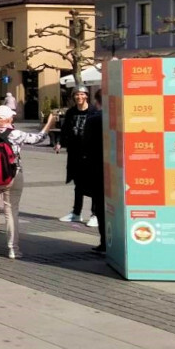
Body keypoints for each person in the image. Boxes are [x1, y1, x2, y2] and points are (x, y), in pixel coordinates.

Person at [0, 105, 57, 259]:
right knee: (11, 212)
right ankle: (13, 249)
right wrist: (49, 124)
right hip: (13, 176)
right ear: (9, 119)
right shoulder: (15, 134)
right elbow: (38, 138)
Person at [57, 87, 96, 226]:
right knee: (78, 184)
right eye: (77, 95)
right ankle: (76, 213)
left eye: (82, 94)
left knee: (93, 185)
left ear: (86, 96)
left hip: (90, 153)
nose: (79, 97)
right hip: (75, 152)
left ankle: (95, 214)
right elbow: (65, 129)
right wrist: (60, 143)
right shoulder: (71, 112)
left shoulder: (93, 112)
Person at [82, 105, 106, 254]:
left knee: (101, 207)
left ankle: (104, 242)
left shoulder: (93, 120)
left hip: (97, 170)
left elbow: (85, 145)